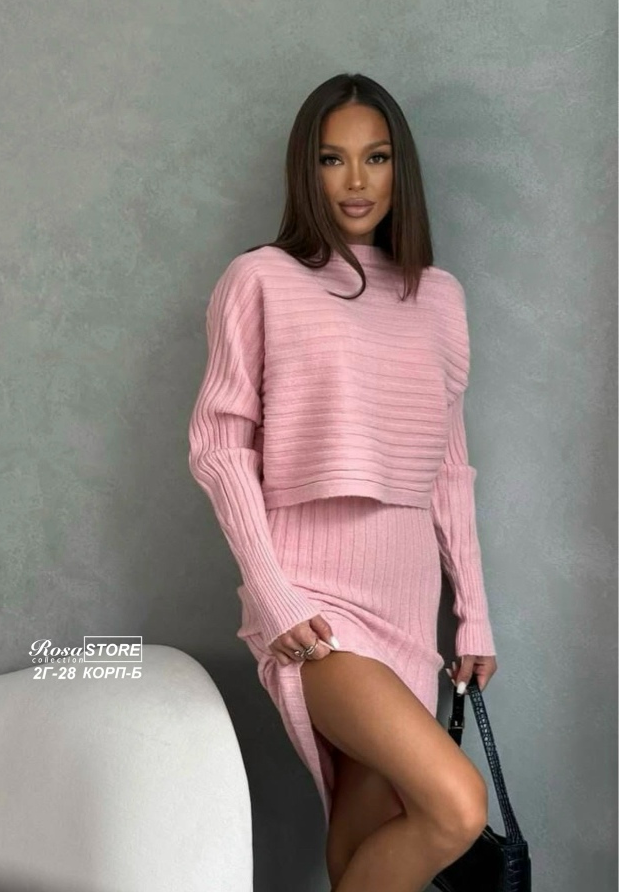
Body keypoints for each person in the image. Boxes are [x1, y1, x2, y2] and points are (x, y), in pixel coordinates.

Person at [187, 72, 498, 892]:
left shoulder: (438, 296)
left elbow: (449, 468)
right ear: (307, 169)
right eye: (332, 158)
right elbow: (220, 447)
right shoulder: (260, 279)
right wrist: (274, 596)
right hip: (313, 601)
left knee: (364, 831)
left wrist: (472, 614)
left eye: (376, 157)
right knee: (455, 807)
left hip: (407, 601)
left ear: (401, 169)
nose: (356, 180)